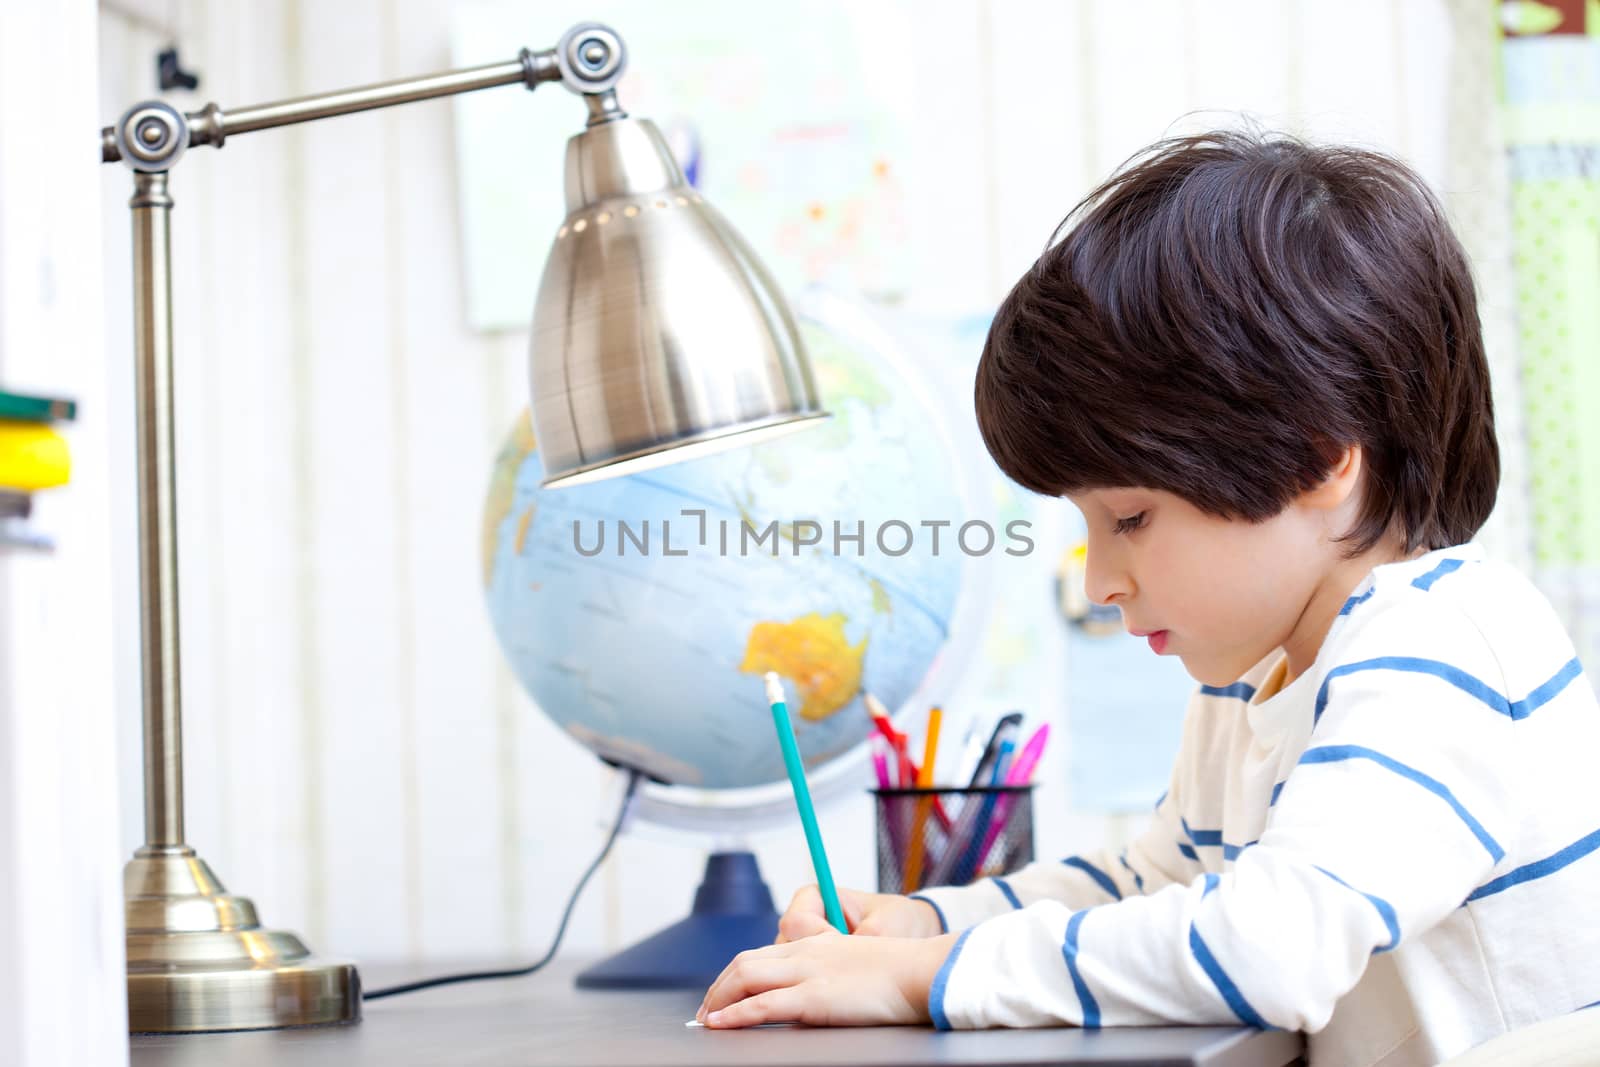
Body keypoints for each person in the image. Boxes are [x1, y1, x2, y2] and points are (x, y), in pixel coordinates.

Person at [694, 128, 1600, 1065]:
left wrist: (923, 977)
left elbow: (1270, 946)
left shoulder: (1445, 641)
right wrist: (921, 922)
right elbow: (1155, 882)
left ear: (1322, 458)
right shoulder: (1258, 680)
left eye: (1129, 517)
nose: (1099, 581)